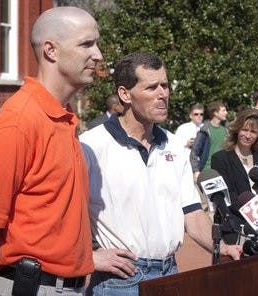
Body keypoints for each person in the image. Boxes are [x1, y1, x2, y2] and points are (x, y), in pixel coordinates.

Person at [79, 52, 242, 296]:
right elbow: (64, 213)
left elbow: (193, 215)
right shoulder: (90, 146)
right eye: (151, 87)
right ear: (125, 94)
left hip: (170, 274)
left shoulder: (175, 146)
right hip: (119, 280)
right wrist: (88, 257)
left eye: (164, 85)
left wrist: (222, 247)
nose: (162, 94)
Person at [0, 7, 102, 295]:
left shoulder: (63, 117)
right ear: (51, 51)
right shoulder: (18, 123)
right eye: (86, 44)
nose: (98, 55)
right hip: (30, 287)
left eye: (97, 43)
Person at [211, 108, 258, 198]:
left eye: (253, 132)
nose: (248, 136)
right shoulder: (220, 159)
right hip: (235, 211)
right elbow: (225, 194)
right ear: (237, 129)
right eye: (244, 130)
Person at [190, 100, 228, 182]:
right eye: (223, 110)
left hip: (224, 172)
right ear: (215, 113)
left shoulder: (226, 130)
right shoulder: (205, 130)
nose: (226, 113)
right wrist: (196, 171)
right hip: (208, 171)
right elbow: (194, 153)